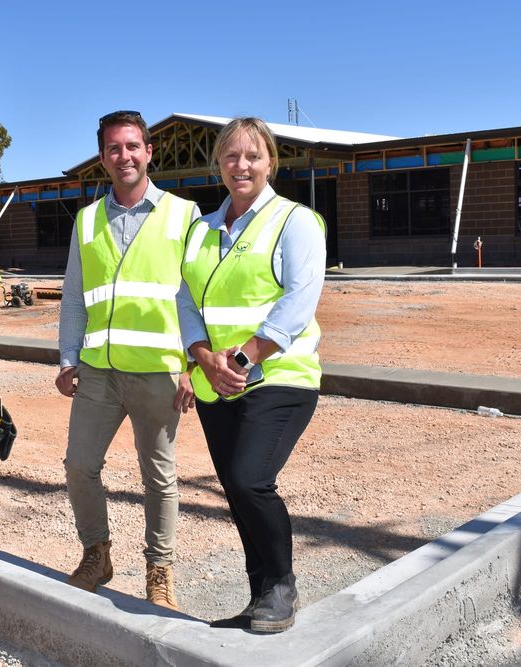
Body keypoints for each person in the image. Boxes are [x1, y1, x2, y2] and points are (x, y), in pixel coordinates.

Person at [177, 117, 326, 633]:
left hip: (280, 377)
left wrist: (240, 360)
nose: (242, 166)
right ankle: (260, 596)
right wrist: (201, 355)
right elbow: (185, 299)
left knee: (249, 479)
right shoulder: (202, 228)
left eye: (253, 156)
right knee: (237, 491)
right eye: (231, 156)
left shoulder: (294, 221)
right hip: (217, 382)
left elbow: (297, 302)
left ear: (270, 163)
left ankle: (281, 585)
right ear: (218, 163)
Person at [56, 110, 199, 610]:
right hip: (98, 370)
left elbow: (196, 297)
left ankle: (160, 570)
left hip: (160, 371)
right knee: (79, 465)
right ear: (103, 158)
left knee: (158, 474)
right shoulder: (87, 219)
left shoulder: (184, 215)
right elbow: (74, 297)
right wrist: (68, 357)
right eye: (114, 148)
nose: (125, 156)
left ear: (149, 152)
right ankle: (97, 553)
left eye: (133, 146)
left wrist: (192, 364)